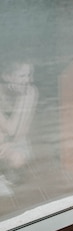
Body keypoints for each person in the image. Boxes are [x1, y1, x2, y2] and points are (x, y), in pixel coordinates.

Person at [0, 60, 38, 194]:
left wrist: (23, 98)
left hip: (15, 139)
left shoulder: (30, 92)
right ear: (7, 76)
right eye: (22, 76)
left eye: (29, 75)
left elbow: (19, 130)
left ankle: (4, 177)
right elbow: (8, 129)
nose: (28, 80)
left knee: (18, 159)